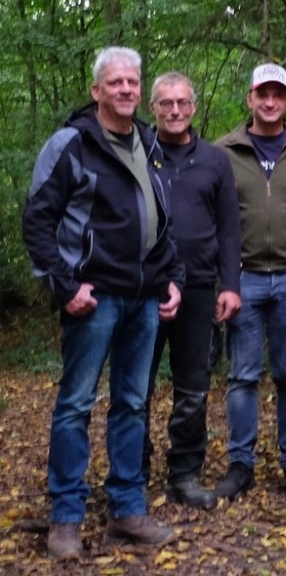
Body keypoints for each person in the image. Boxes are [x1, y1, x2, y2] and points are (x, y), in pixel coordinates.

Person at [22, 47, 183, 559]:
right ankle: (65, 517)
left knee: (133, 406)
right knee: (75, 406)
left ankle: (126, 511)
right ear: (97, 90)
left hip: (143, 300)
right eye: (116, 83)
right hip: (93, 300)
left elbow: (161, 221)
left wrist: (171, 277)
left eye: (133, 82)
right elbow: (37, 221)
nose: (127, 90)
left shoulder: (149, 143)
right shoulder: (72, 145)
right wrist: (66, 287)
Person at [214, 63, 286, 499]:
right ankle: (241, 464)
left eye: (278, 94)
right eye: (263, 94)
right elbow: (213, 219)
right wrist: (224, 275)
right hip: (245, 281)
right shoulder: (224, 152)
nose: (270, 102)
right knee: (241, 377)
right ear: (251, 99)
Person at [141, 72, 242, 508]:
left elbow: (230, 228)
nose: (175, 111)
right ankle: (133, 472)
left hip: (200, 287)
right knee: (135, 387)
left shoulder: (215, 160)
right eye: (166, 103)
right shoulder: (137, 153)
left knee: (194, 386)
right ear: (153, 109)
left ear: (194, 108)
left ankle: (183, 473)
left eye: (182, 103)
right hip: (143, 287)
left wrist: (230, 285)